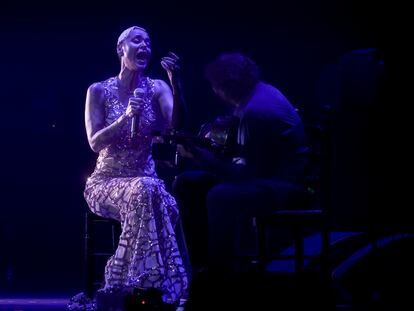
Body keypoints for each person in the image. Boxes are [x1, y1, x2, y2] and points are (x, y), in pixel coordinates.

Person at [172, 52, 309, 283]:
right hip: (267, 174)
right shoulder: (258, 93)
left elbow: (245, 174)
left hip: (284, 185)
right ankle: (200, 263)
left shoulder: (256, 111)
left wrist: (201, 156)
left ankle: (220, 272)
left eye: (215, 86)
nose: (214, 91)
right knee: (188, 183)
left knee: (220, 196)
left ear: (227, 87)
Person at [82, 26, 188, 306]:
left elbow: (175, 127)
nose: (145, 46)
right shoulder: (98, 91)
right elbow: (94, 142)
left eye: (149, 42)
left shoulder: (157, 88)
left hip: (145, 181)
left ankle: (135, 287)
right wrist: (124, 118)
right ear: (121, 49)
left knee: (150, 191)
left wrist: (176, 81)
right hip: (106, 182)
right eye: (137, 40)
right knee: (150, 193)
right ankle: (152, 287)